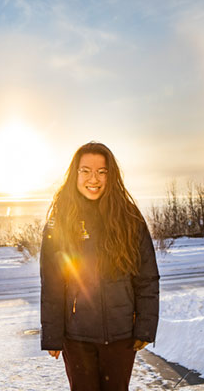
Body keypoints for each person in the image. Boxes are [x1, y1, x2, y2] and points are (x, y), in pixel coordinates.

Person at [40, 141, 160, 391]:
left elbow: (146, 278)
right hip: (77, 337)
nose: (93, 178)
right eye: (85, 170)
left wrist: (145, 328)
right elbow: (52, 282)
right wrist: (52, 335)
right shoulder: (60, 222)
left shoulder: (130, 219)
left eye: (101, 171)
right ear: (75, 174)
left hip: (121, 336)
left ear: (111, 175)